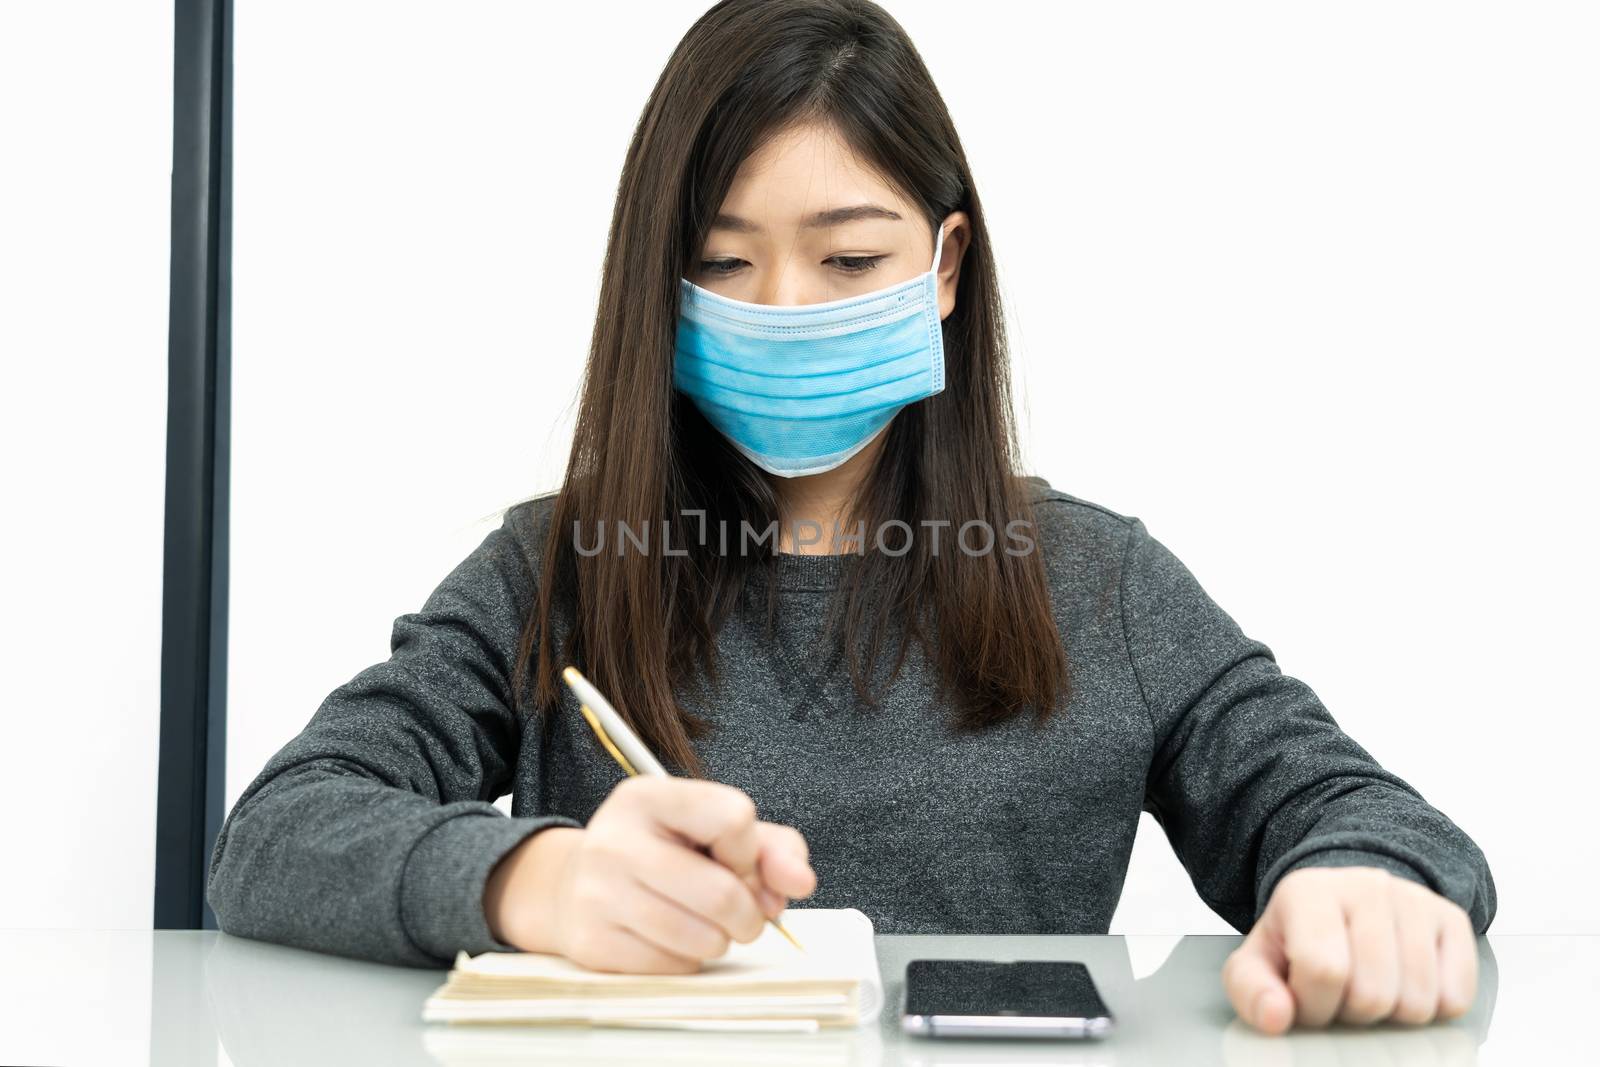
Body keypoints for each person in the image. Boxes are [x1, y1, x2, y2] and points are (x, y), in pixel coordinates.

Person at [207, 0, 1496, 1037]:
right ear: (656, 283)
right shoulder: (555, 568)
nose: (779, 306)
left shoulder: (1098, 582)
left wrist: (1361, 894)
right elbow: (276, 834)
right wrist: (527, 880)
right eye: (719, 261)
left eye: (849, 258)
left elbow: (1368, 820)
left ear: (943, 269)